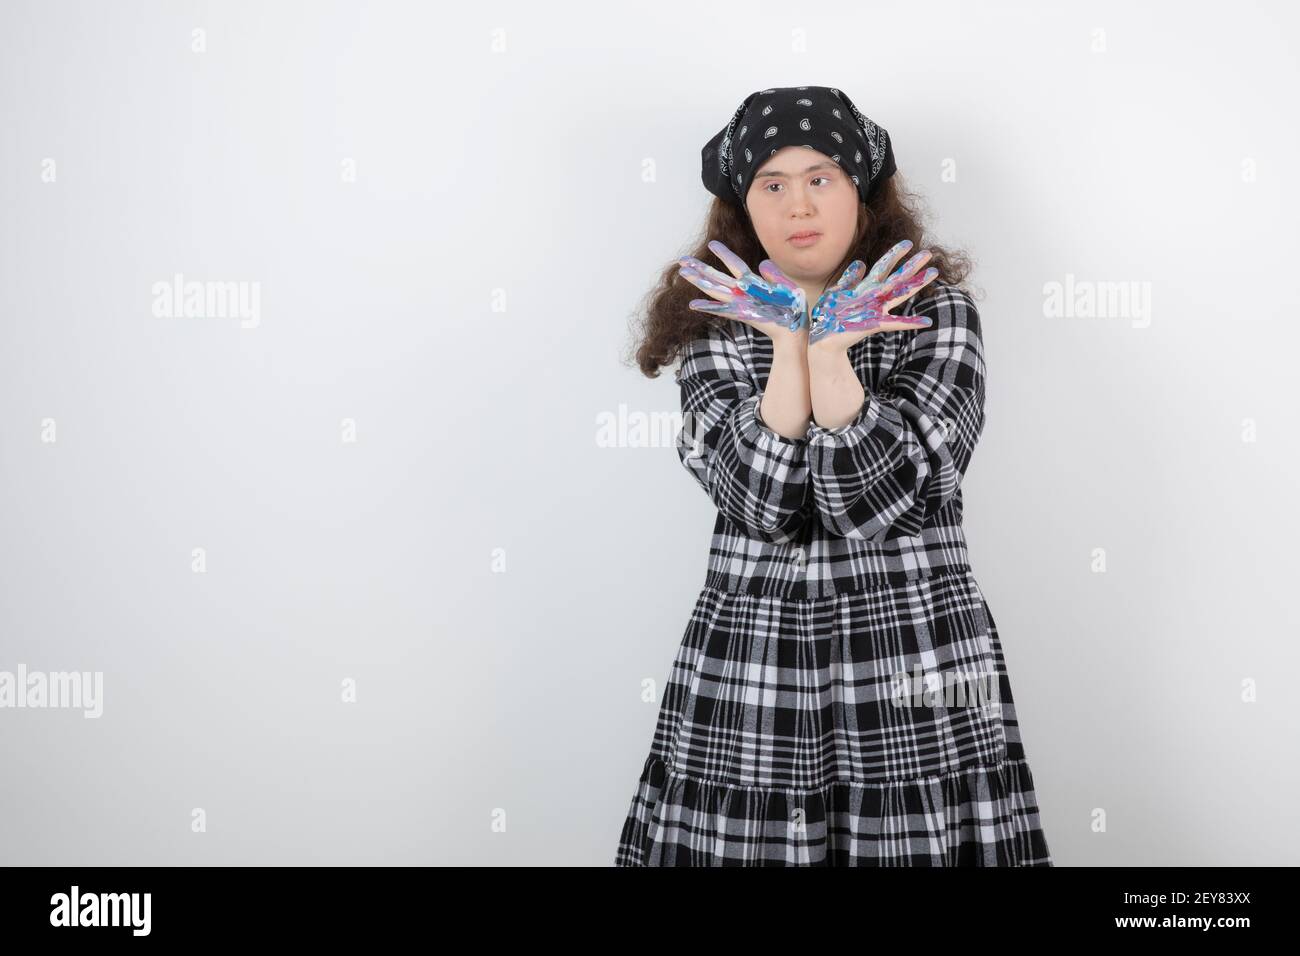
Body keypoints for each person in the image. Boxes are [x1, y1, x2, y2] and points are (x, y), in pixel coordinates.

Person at [615, 85, 1053, 866]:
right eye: (771, 184)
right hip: (755, 657)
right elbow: (756, 504)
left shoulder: (938, 313)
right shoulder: (714, 330)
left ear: (860, 191)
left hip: (919, 650)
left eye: (821, 178)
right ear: (743, 206)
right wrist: (787, 347)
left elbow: (872, 506)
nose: (798, 205)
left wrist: (830, 356)